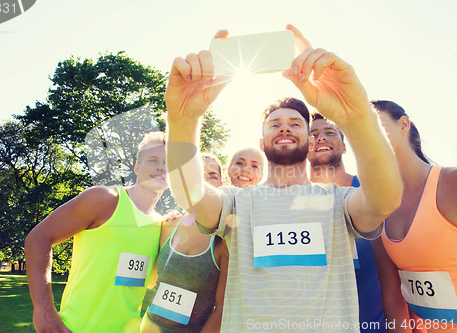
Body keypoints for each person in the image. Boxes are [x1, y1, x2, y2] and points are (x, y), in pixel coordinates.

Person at [165, 24, 403, 332]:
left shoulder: (337, 201)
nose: (286, 127)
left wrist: (356, 116)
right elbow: (192, 196)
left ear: (309, 139)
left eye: (296, 123)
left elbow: (385, 199)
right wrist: (183, 120)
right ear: (262, 143)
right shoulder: (237, 202)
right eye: (275, 123)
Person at [25, 131, 168, 333]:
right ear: (137, 167)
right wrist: (43, 309)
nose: (162, 167)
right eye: (153, 160)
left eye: (169, 163)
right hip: (75, 328)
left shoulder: (162, 225)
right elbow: (38, 238)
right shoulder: (105, 199)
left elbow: (150, 282)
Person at [370, 100, 457, 333]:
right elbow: (393, 297)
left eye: (373, 124)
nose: (365, 134)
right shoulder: (376, 208)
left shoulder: (451, 183)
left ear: (404, 125)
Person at [307, 112, 387, 333]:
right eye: (312, 135)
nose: (321, 137)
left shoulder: (372, 192)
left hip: (373, 325)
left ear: (343, 146)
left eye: (330, 132)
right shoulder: (293, 201)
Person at [141, 152, 229, 333]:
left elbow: (222, 309)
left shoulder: (223, 239)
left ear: (221, 184)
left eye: (212, 176)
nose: (204, 182)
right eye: (198, 175)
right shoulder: (166, 225)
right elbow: (149, 282)